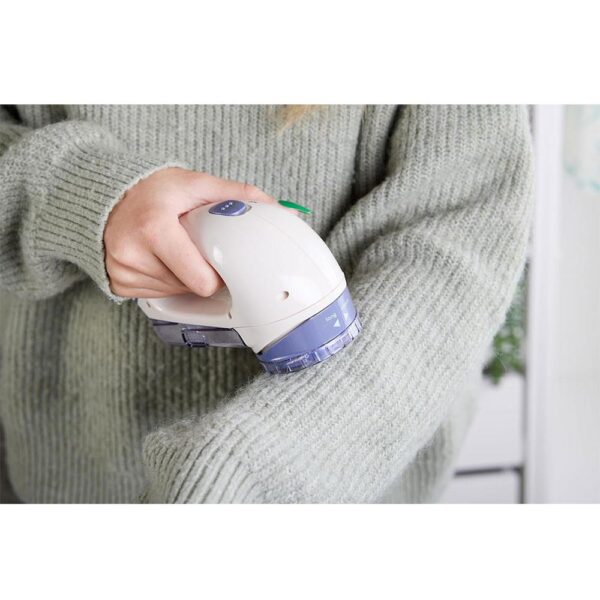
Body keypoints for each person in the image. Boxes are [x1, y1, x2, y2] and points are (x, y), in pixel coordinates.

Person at [0, 105, 533, 503]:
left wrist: (242, 477)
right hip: (68, 467)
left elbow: (455, 244)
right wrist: (84, 193)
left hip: (342, 491)